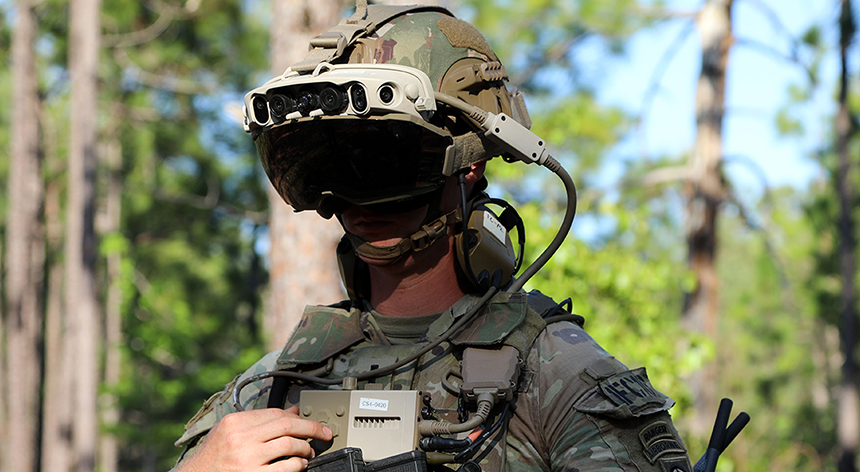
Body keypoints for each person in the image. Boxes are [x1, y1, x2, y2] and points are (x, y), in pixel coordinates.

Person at [170, 3, 691, 472]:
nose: (358, 196)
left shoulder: (557, 377)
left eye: (387, 157)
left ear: (470, 164)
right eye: (332, 162)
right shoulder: (270, 390)